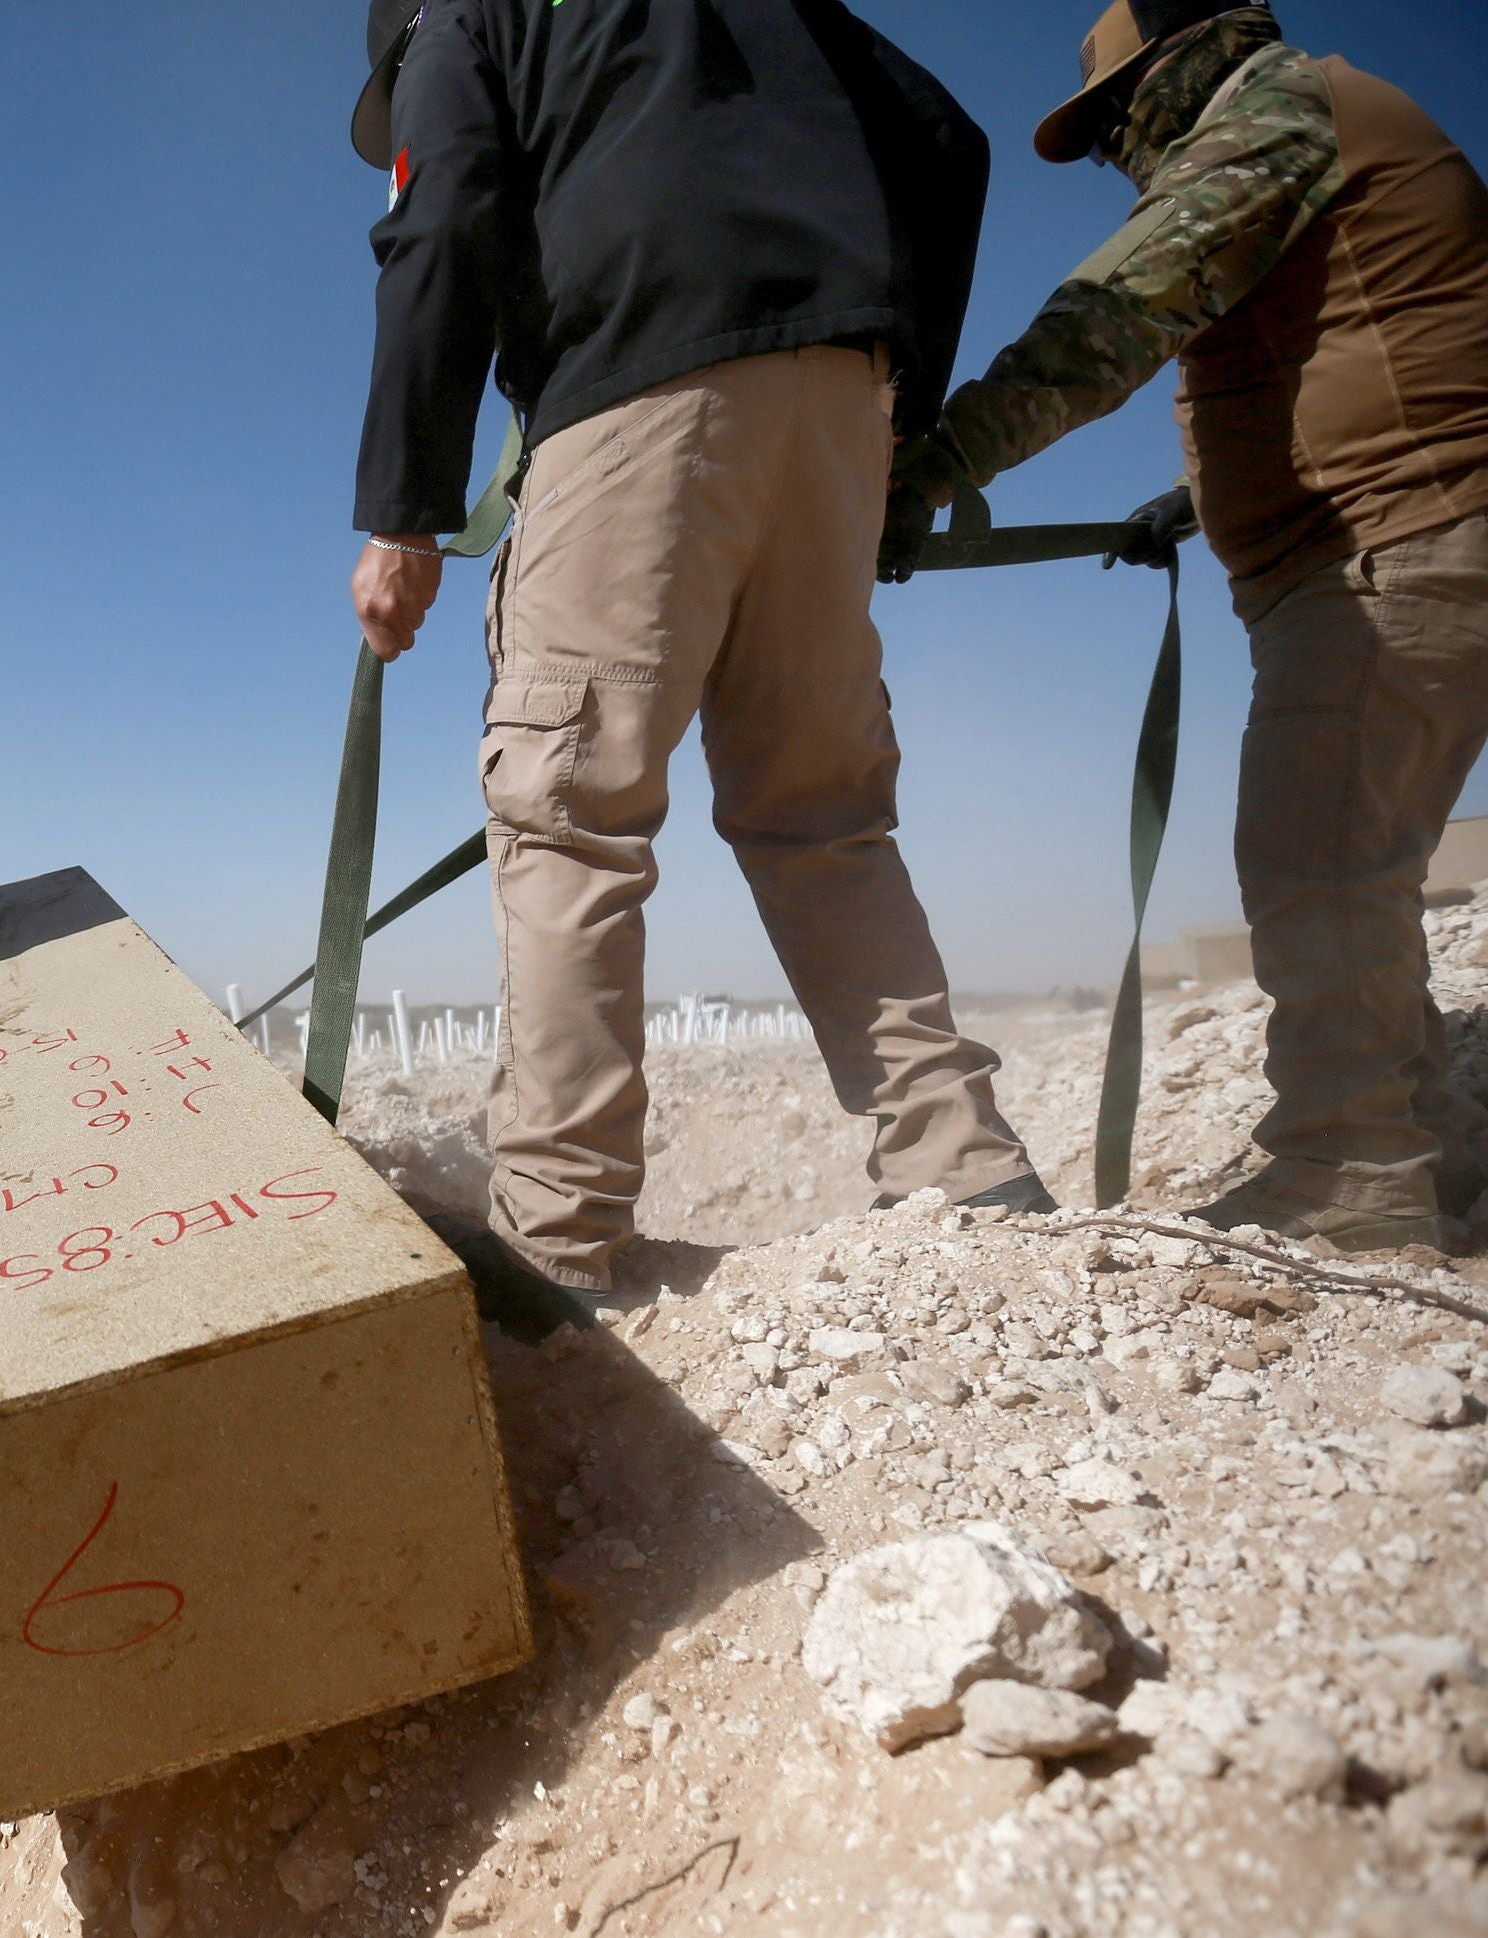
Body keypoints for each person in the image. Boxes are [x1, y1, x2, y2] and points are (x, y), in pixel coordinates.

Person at [347, 0, 1052, 1317]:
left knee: (570, 811)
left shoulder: (458, 12)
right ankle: (966, 1163)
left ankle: (555, 1243)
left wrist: (403, 506)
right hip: (843, 395)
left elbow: (441, 209)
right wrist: (891, 419)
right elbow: (945, 143)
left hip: (633, 390)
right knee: (825, 810)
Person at [890, 2, 1488, 1255]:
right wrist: (1194, 502)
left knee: (1315, 860)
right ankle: (1421, 1141)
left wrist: (927, 468)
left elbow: (1120, 310)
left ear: (1194, 50)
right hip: (1382, 543)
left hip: (1393, 541)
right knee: (1353, 864)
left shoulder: (1281, 106)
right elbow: (1331, 335)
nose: (1116, 148)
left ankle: (1355, 1173)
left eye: (1118, 114)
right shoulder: (1312, 122)